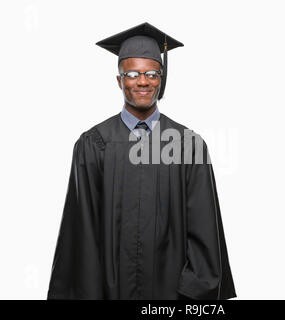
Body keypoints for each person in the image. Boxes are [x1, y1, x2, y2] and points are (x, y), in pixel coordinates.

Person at [47, 22, 236, 300]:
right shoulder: (94, 144)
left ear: (162, 78)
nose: (143, 81)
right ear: (119, 80)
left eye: (151, 73)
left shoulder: (188, 145)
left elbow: (204, 233)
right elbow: (82, 231)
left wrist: (187, 296)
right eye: (132, 74)